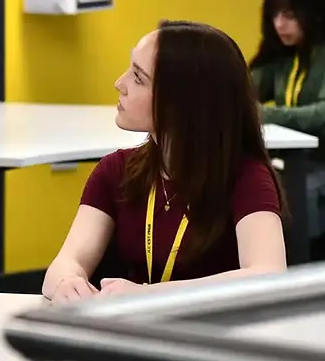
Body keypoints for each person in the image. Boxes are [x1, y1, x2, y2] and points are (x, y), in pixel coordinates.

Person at [42, 20, 288, 304]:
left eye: (138, 78)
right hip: (134, 335)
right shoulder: (116, 171)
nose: (119, 84)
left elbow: (268, 275)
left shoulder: (247, 177)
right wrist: (67, 283)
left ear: (180, 102)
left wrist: (149, 295)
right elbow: (64, 264)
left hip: (214, 339)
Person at [249, 0, 325, 255]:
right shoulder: (284, 57)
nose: (280, 24)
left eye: (290, 16)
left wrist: (267, 114)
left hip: (317, 163)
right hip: (295, 162)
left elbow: (322, 115)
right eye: (275, 15)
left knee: (292, 198)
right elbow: (245, 88)